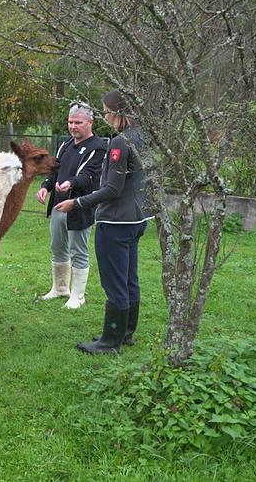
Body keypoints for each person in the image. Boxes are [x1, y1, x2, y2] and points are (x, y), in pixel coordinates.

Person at [54, 90, 153, 354]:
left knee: (114, 282)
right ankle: (125, 333)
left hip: (117, 223)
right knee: (130, 278)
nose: (105, 116)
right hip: (138, 218)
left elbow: (112, 189)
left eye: (106, 111)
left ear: (117, 113)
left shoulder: (120, 143)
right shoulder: (143, 137)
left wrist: (77, 202)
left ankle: (110, 341)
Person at [36, 102, 106, 309]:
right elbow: (56, 170)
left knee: (78, 250)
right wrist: (45, 187)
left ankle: (78, 296)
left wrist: (71, 183)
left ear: (90, 122)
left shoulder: (99, 147)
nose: (73, 126)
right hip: (58, 205)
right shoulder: (66, 145)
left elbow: (89, 175)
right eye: (70, 122)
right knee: (57, 247)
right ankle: (59, 289)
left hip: (79, 207)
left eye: (78, 122)